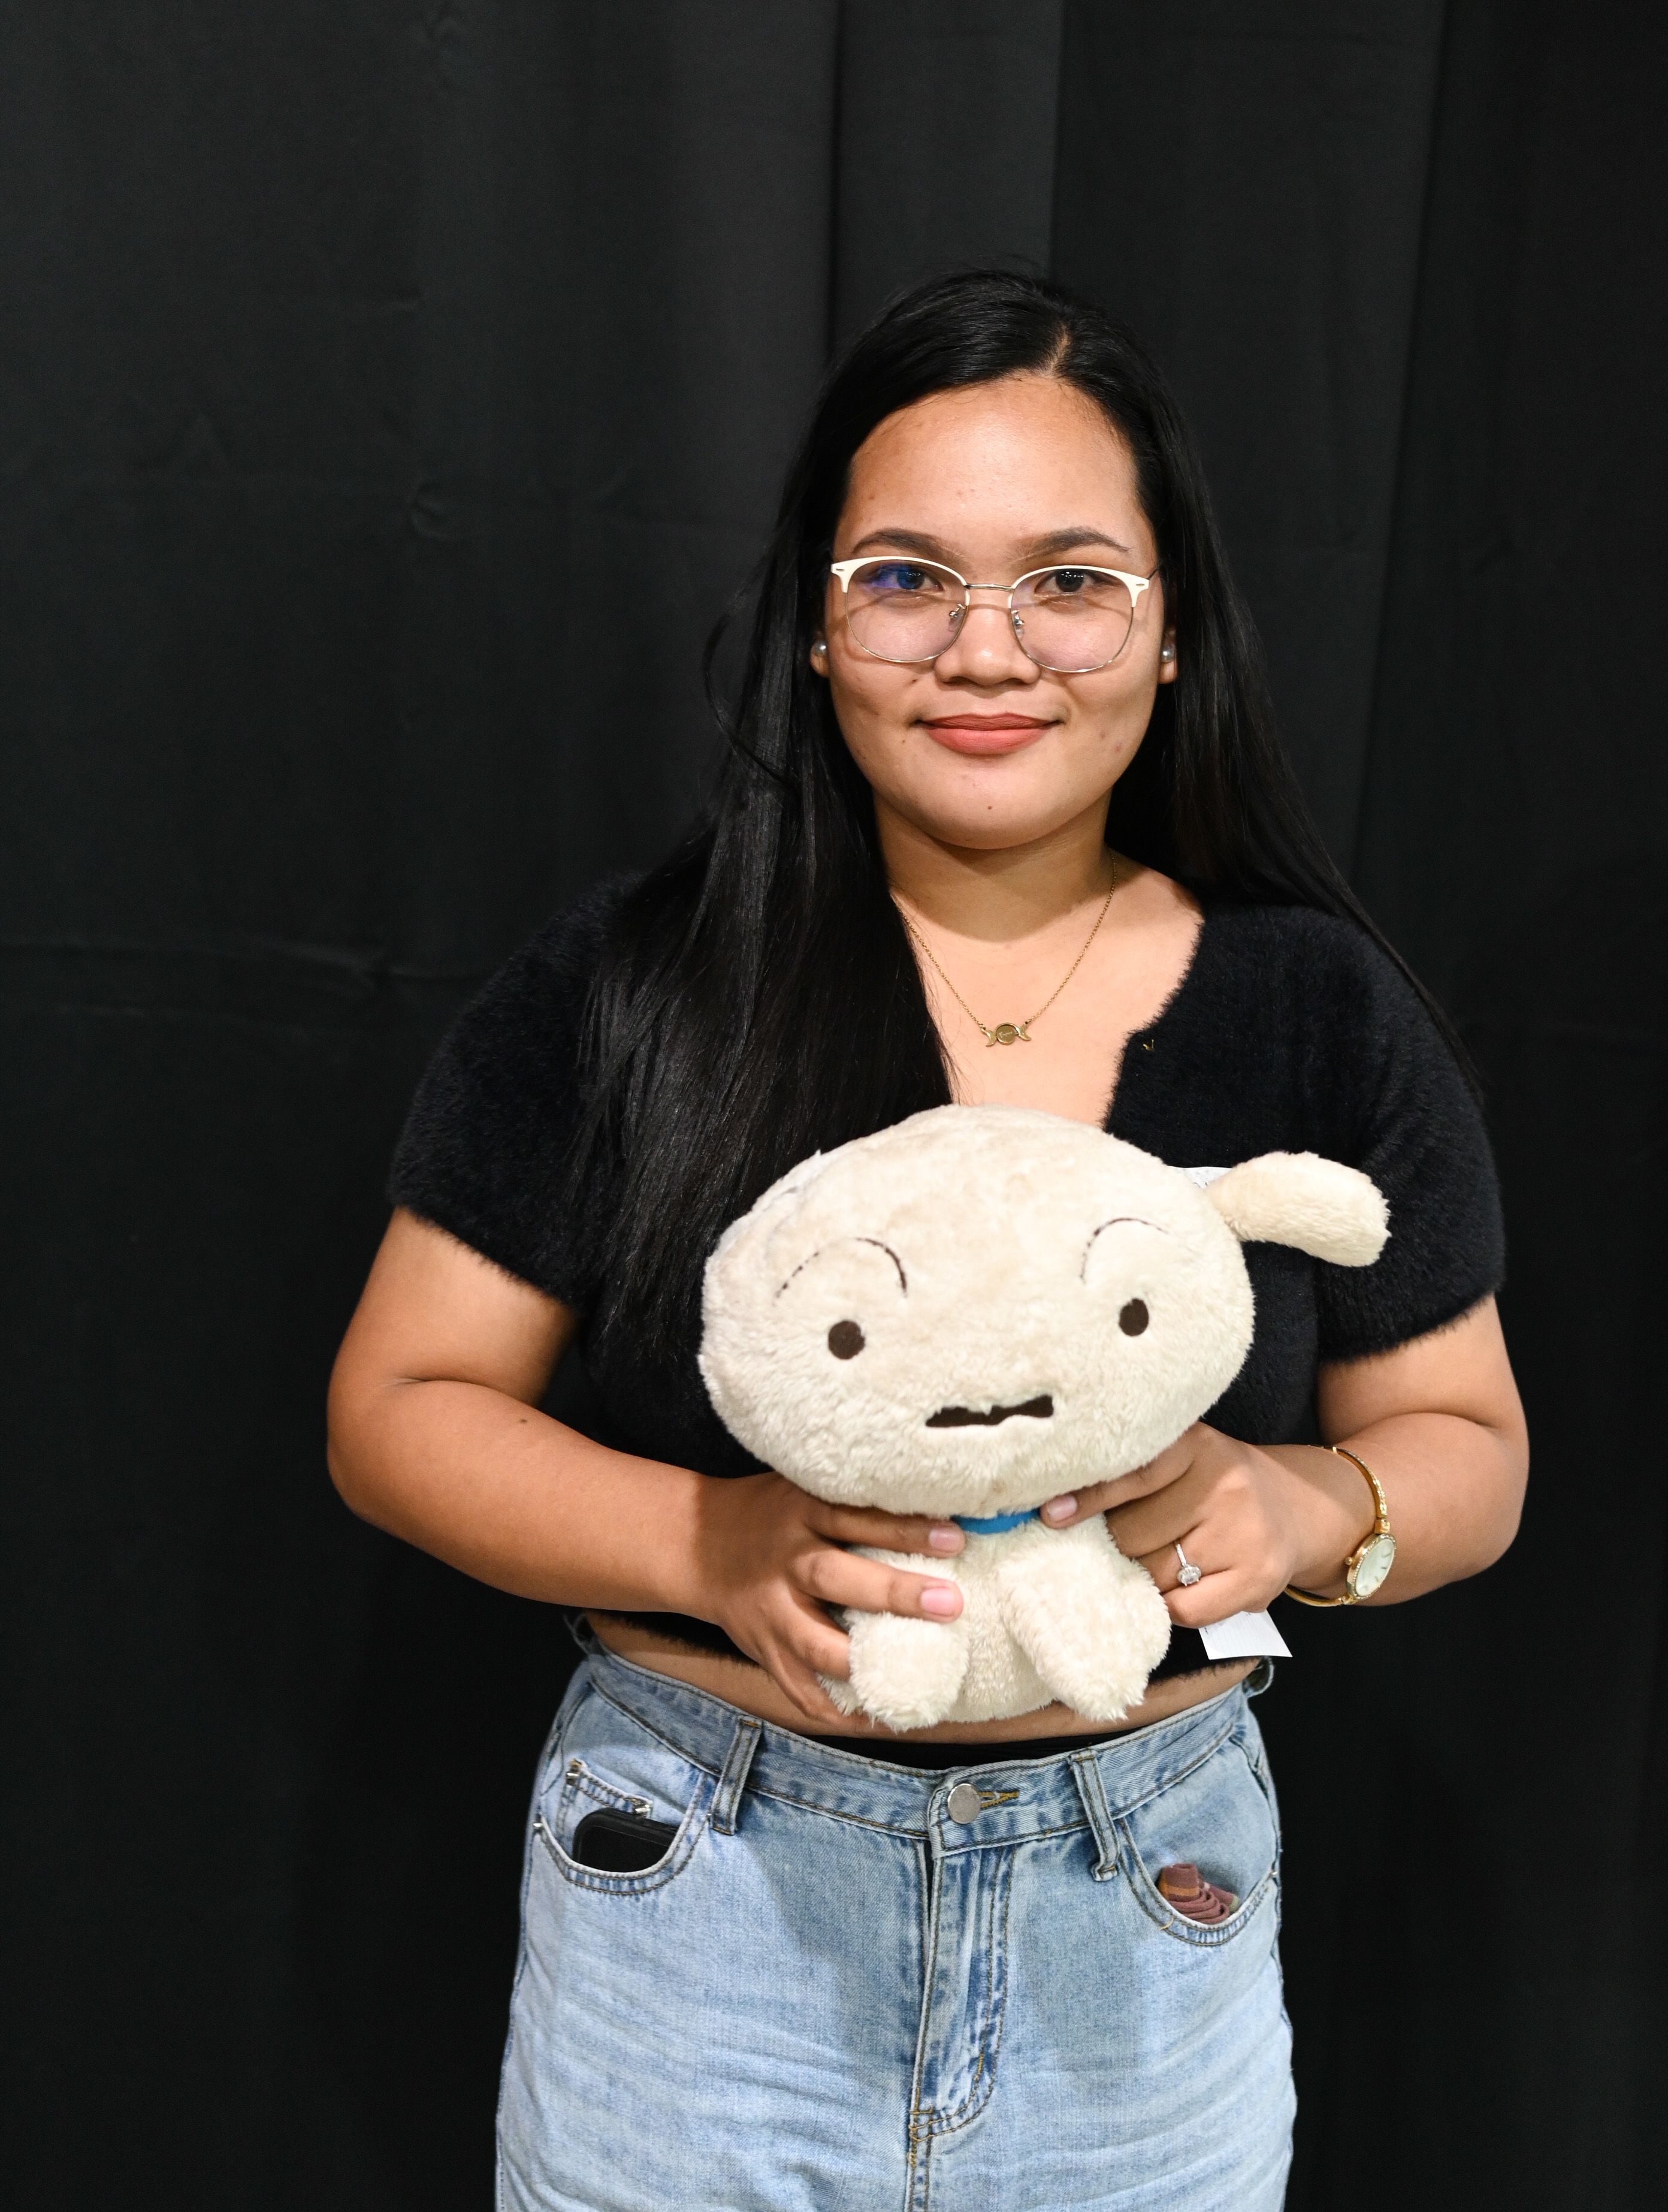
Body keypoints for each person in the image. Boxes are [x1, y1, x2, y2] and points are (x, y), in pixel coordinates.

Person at [327, 269, 1527, 2211]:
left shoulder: (1319, 1011)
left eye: (1071, 581)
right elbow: (399, 1402)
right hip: (699, 1882)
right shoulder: (645, 982)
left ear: (1171, 633)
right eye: (907, 579)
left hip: (1146, 1894)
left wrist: (1309, 1509)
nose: (989, 650)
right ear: (817, 627)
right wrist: (707, 1542)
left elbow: (1473, 1452)